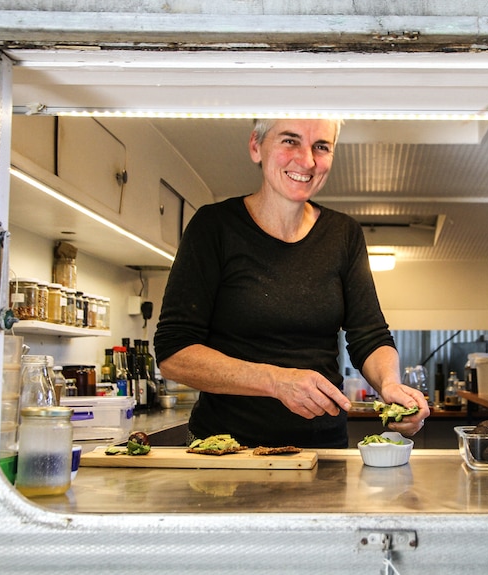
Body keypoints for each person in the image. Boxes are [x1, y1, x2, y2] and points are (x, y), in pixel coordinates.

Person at [154, 117, 429, 448]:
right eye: (290, 141)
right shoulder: (214, 228)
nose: (308, 160)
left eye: (321, 146)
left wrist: (390, 386)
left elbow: (369, 335)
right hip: (227, 451)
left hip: (321, 451)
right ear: (256, 146)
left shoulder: (344, 234)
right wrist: (275, 381)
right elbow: (173, 352)